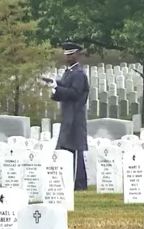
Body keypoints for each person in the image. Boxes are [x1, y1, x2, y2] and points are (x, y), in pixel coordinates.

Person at [47, 42, 89, 191]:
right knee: (65, 148)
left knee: (76, 150)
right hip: (67, 116)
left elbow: (75, 93)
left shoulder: (78, 74)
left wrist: (58, 88)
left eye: (70, 54)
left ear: (77, 55)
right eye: (66, 54)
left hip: (76, 117)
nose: (67, 57)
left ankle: (79, 184)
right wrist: (55, 87)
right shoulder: (69, 72)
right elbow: (65, 91)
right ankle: (68, 181)